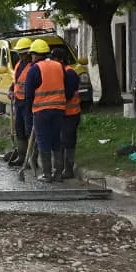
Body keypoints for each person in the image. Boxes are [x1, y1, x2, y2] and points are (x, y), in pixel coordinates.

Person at [23, 38, 66, 183]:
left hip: (41, 111)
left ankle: (47, 174)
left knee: (43, 141)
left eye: (32, 55)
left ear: (35, 54)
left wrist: (29, 112)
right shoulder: (58, 66)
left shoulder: (34, 69)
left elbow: (28, 93)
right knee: (56, 141)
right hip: (59, 109)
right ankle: (58, 174)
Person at [52, 46, 81, 180]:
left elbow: (68, 95)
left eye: (55, 59)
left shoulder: (70, 74)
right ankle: (60, 168)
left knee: (68, 141)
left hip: (71, 113)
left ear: (61, 60)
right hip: (61, 113)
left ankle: (68, 169)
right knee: (60, 140)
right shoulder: (60, 73)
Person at [6, 36, 35, 167]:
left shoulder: (33, 67)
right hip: (18, 101)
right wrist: (11, 89)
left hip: (28, 103)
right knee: (19, 128)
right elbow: (16, 81)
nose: (19, 55)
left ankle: (31, 158)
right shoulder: (19, 64)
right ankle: (22, 156)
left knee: (29, 129)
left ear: (27, 53)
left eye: (21, 53)